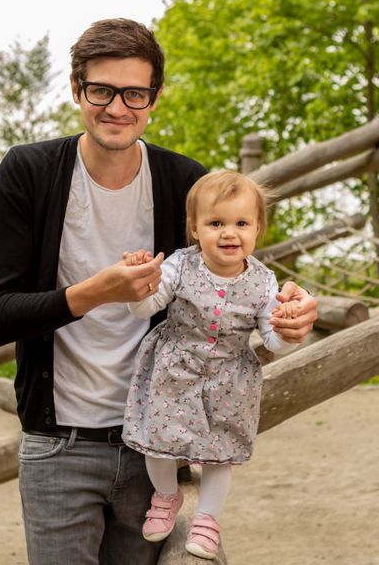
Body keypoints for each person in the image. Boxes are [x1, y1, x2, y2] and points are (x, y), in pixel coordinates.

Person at [0, 18, 318, 565]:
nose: (117, 108)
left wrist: (289, 315)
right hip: (57, 444)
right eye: (101, 90)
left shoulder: (185, 180)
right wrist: (95, 292)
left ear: (154, 97)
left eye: (134, 93)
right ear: (75, 89)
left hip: (155, 443)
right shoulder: (29, 171)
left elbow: (236, 280)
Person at [120, 170, 301, 559]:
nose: (229, 233)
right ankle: (167, 496)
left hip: (230, 376)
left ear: (257, 229)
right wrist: (143, 286)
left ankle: (207, 519)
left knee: (222, 451)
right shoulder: (179, 266)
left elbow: (272, 340)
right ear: (195, 229)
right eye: (216, 223)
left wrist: (287, 330)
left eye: (241, 223)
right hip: (175, 367)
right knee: (158, 442)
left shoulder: (266, 283)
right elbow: (144, 309)